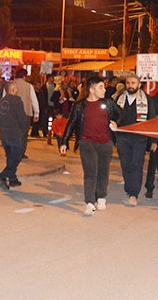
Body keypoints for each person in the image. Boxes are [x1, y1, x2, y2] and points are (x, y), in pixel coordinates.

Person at [60, 76, 122, 216]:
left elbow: (119, 113)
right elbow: (71, 123)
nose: (104, 89)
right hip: (86, 142)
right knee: (90, 172)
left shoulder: (108, 102)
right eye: (101, 87)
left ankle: (101, 197)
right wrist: (64, 141)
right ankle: (89, 202)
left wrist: (115, 122)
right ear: (92, 89)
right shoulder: (79, 105)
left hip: (106, 143)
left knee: (103, 171)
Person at [115, 74, 157, 207]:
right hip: (122, 137)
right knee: (126, 164)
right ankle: (129, 189)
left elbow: (152, 120)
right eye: (128, 83)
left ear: (139, 85)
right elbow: (112, 116)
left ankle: (134, 194)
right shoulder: (119, 99)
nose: (130, 85)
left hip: (140, 138)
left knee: (136, 165)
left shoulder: (147, 99)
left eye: (133, 83)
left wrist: (154, 140)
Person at [0, 81, 29, 190]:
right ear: (12, 89)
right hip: (15, 133)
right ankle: (3, 175)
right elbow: (22, 119)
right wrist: (22, 131)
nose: (17, 90)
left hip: (4, 134)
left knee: (10, 157)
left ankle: (12, 178)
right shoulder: (17, 102)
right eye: (16, 88)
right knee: (17, 157)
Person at [10, 69, 39, 159]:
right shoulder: (29, 86)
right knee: (23, 134)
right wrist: (36, 113)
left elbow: (4, 98)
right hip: (26, 113)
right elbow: (34, 100)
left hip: (12, 113)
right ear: (24, 76)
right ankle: (21, 153)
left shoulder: (10, 85)